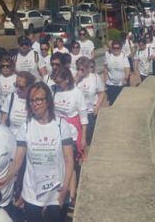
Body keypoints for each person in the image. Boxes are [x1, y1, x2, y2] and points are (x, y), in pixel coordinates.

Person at [12, 82, 74, 222]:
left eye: (39, 99)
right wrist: (6, 179)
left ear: (48, 102)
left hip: (56, 191)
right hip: (32, 192)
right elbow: (18, 161)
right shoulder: (26, 127)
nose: (35, 103)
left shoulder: (61, 125)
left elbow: (69, 160)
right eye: (32, 100)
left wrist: (66, 187)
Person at [50, 67, 87, 207]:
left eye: (59, 82)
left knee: (69, 162)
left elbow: (83, 117)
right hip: (57, 130)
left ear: (67, 79)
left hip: (72, 132)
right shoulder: (54, 90)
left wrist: (83, 137)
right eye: (55, 81)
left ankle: (72, 194)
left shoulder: (76, 93)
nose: (57, 84)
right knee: (60, 162)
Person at [74, 58, 105, 145]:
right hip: (77, 113)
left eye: (82, 69)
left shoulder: (95, 78)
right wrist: (77, 78)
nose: (80, 71)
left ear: (88, 68)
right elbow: (69, 91)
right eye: (78, 69)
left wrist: (97, 107)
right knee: (77, 139)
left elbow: (102, 92)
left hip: (90, 113)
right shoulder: (75, 78)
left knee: (87, 139)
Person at [104, 40, 130, 106]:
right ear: (112, 48)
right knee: (112, 102)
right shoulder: (108, 57)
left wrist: (126, 78)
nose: (116, 49)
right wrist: (105, 80)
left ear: (120, 48)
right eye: (114, 48)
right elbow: (105, 69)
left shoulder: (124, 57)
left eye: (118, 48)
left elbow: (127, 69)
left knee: (122, 102)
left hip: (121, 84)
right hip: (111, 84)